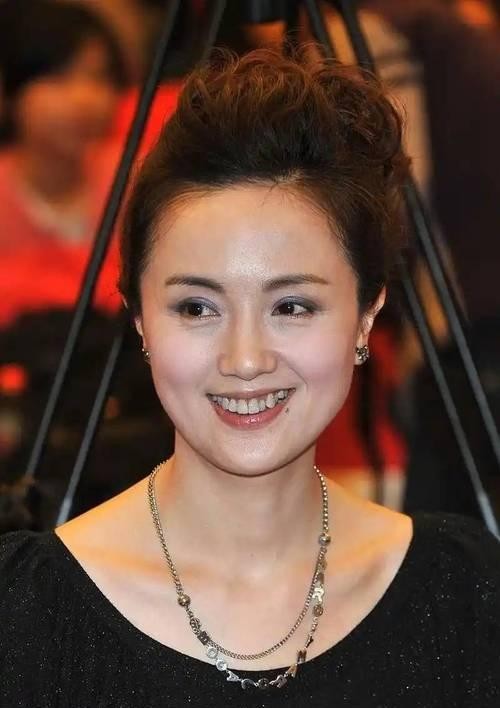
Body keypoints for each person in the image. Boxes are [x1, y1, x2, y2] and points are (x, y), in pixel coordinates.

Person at [1, 48, 499, 705]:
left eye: (291, 306)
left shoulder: (465, 596)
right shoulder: (26, 612)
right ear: (140, 320)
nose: (244, 358)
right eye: (196, 308)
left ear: (365, 316)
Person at [0, 0, 127, 327]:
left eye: (99, 77)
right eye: (58, 78)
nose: (84, 98)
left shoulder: (134, 177)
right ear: (10, 91)